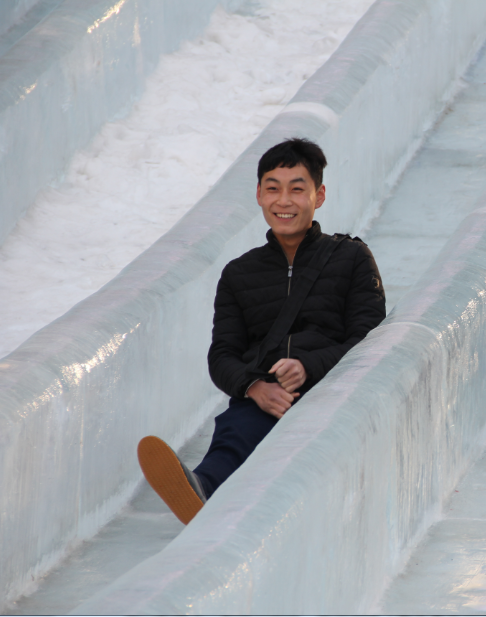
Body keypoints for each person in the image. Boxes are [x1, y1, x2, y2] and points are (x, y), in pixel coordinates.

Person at [137, 138, 386, 524]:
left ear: (318, 196)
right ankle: (202, 488)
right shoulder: (239, 274)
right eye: (273, 188)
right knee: (238, 427)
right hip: (266, 397)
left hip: (333, 394)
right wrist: (255, 387)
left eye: (297, 189)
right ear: (258, 195)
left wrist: (308, 366)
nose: (283, 201)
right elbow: (222, 356)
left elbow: (371, 338)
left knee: (284, 430)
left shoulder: (351, 259)